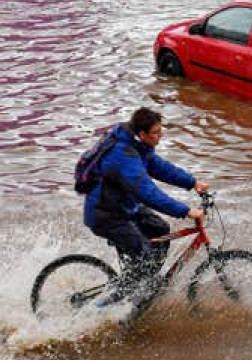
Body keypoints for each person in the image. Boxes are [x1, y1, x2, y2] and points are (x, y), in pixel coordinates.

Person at [83, 107, 208, 303]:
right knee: (144, 255)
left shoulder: (138, 145)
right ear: (142, 134)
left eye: (161, 130)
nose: (161, 135)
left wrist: (192, 182)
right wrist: (185, 211)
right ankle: (107, 305)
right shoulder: (123, 155)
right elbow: (148, 193)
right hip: (106, 215)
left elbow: (159, 167)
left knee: (160, 230)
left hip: (124, 206)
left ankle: (144, 285)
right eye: (156, 132)